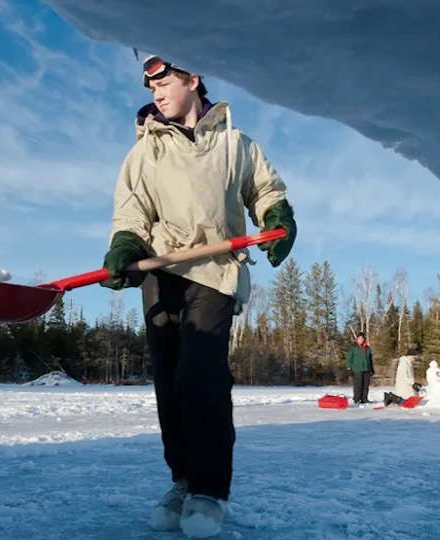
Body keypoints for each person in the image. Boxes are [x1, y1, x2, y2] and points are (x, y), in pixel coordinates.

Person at [100, 54, 297, 538]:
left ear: (194, 78)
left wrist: (277, 218)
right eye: (150, 89)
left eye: (164, 82)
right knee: (168, 382)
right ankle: (182, 480)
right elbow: (131, 214)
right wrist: (124, 246)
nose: (157, 94)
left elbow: (265, 191)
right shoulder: (143, 153)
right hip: (161, 275)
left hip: (216, 272)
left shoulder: (235, 145)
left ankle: (208, 489)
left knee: (199, 375)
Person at [346, 332, 374, 404]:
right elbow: (349, 358)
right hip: (357, 368)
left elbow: (370, 359)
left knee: (365, 385)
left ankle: (364, 399)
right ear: (357, 339)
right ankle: (357, 399)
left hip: (366, 368)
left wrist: (371, 369)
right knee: (358, 385)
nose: (361, 340)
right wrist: (349, 368)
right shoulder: (353, 348)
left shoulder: (367, 348)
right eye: (359, 338)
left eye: (362, 338)